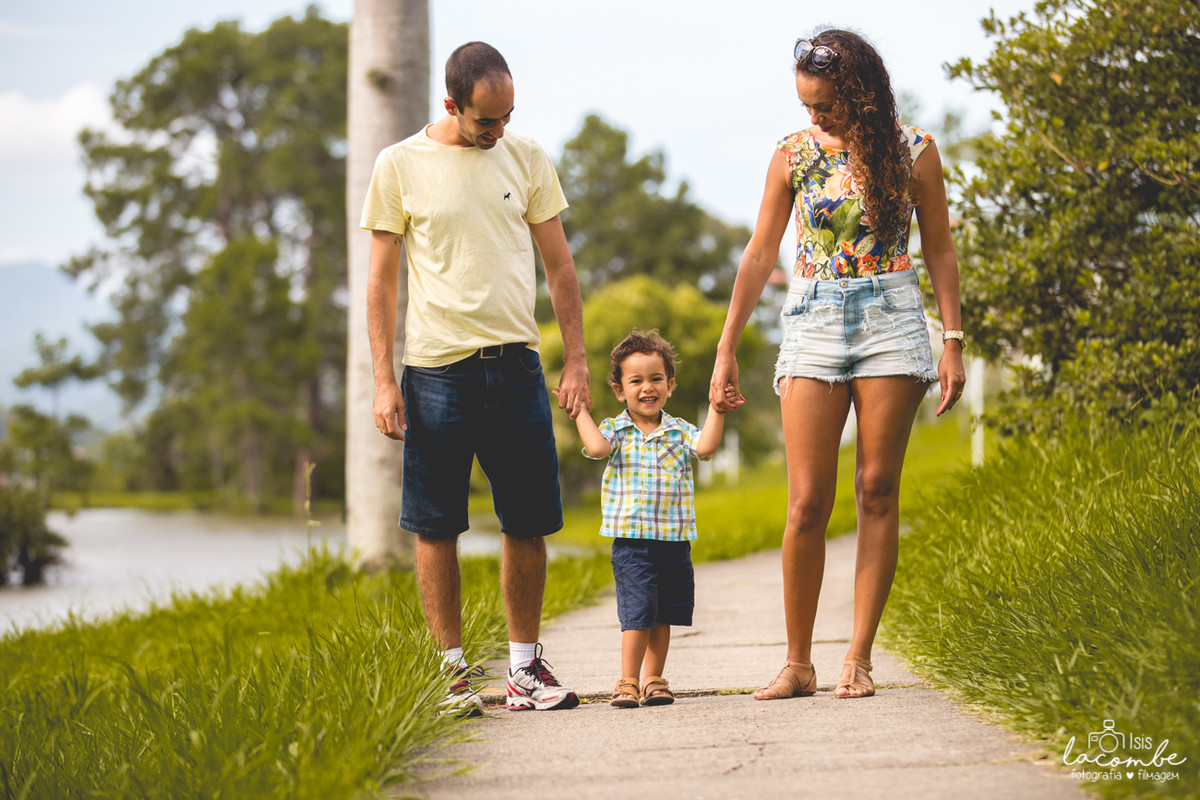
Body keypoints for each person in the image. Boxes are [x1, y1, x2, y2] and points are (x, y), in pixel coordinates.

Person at [709, 29, 965, 700]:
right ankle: (797, 663)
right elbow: (761, 253)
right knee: (805, 504)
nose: (813, 117)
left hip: (891, 317)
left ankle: (858, 657)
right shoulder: (792, 156)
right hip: (814, 319)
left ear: (859, 94)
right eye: (805, 106)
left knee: (877, 490)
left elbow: (939, 249)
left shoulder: (915, 152)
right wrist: (726, 347)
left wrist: (953, 338)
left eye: (823, 105)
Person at [362, 41, 591, 715]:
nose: (498, 132)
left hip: (516, 366)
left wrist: (574, 359)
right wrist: (383, 380)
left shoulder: (526, 157)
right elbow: (378, 282)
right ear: (451, 105)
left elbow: (561, 268)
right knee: (436, 526)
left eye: (507, 116)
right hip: (435, 373)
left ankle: (524, 671)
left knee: (527, 520)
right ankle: (452, 676)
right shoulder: (400, 165)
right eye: (485, 120)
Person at [562, 330, 727, 708]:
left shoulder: (679, 430)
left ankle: (654, 679)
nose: (647, 388)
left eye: (655, 379)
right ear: (620, 390)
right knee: (637, 613)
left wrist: (717, 409)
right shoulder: (615, 430)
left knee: (663, 613)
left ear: (670, 385)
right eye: (635, 381)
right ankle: (627, 681)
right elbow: (595, 447)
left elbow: (706, 448)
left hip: (673, 540)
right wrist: (579, 411)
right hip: (632, 542)